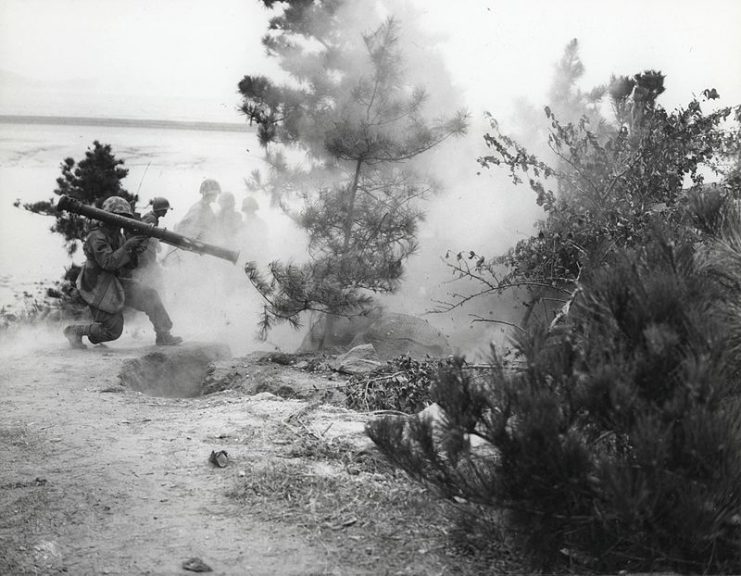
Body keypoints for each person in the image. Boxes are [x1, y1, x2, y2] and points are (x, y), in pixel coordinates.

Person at [62, 195, 183, 349]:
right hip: (97, 287)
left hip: (114, 282)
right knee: (112, 331)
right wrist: (128, 246)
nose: (121, 221)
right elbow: (108, 263)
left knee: (150, 295)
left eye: (124, 217)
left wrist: (135, 251)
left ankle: (163, 335)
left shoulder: (117, 235)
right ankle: (74, 331)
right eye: (119, 217)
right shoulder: (96, 237)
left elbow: (127, 267)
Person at [132, 196, 172, 291]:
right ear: (160, 210)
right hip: (145, 255)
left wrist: (157, 244)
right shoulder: (151, 218)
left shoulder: (152, 217)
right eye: (165, 210)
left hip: (147, 253)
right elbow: (143, 236)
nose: (166, 212)